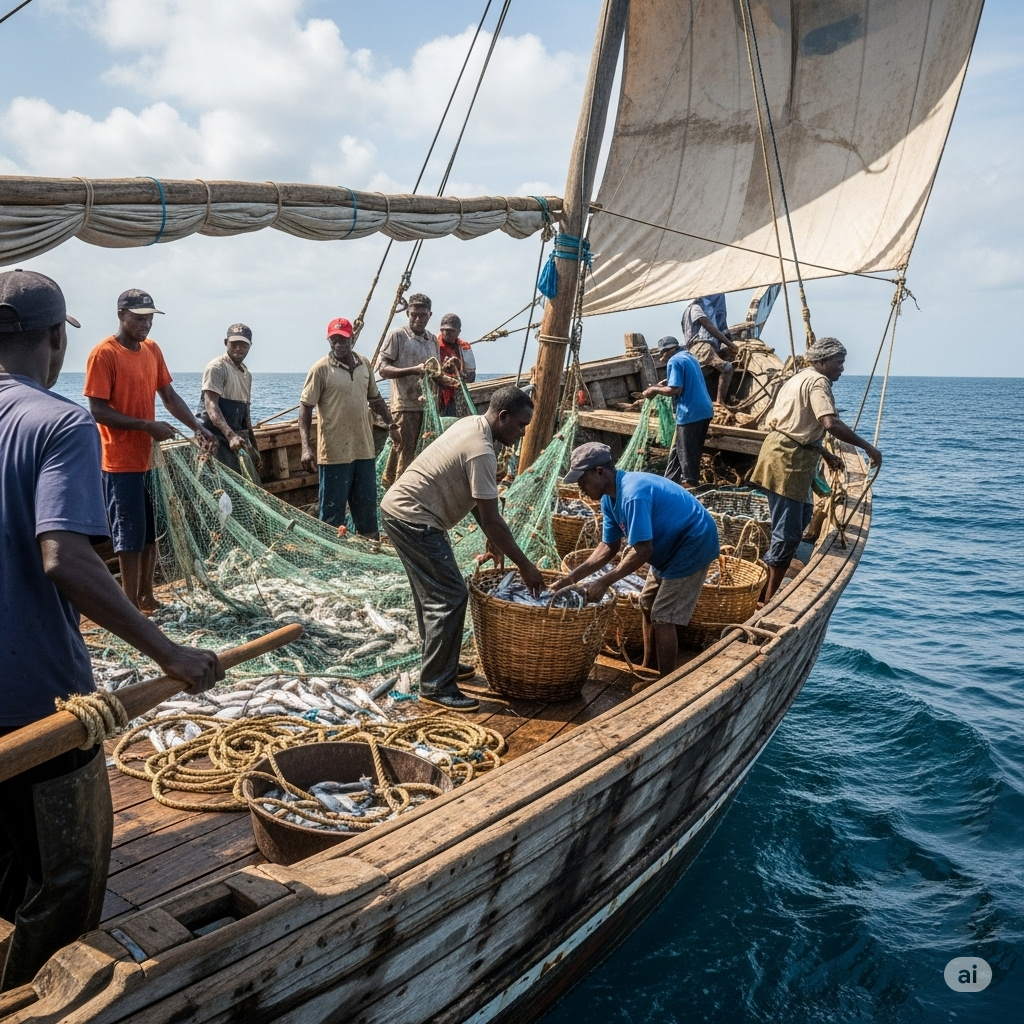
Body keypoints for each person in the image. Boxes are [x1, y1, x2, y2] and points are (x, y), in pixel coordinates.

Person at [0, 270, 222, 991]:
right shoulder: (57, 422)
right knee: (62, 885)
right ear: (58, 338)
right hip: (39, 703)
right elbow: (65, 559)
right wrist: (171, 654)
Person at [380, 385, 544, 710]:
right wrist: (526, 566)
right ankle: (436, 685)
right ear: (503, 416)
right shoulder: (482, 449)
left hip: (399, 511)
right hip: (414, 519)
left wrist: (493, 541)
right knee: (450, 596)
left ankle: (441, 665)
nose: (523, 433)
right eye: (521, 425)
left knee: (433, 596)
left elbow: (476, 501)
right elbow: (492, 518)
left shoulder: (471, 424)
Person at [84, 289, 216, 612]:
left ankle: (146, 596)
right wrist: (146, 426)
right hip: (119, 463)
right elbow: (97, 410)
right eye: (139, 318)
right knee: (129, 537)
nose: (145, 325)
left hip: (150, 461)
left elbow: (169, 398)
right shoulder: (104, 354)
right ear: (121, 315)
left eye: (150, 319)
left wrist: (197, 428)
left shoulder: (152, 351)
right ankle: (129, 605)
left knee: (152, 532)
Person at [553, 442, 720, 677]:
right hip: (666, 545)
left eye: (582, 480)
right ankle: (649, 666)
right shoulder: (608, 499)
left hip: (692, 543)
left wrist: (604, 582)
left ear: (600, 472)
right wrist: (571, 578)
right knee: (647, 603)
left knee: (662, 616)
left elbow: (643, 552)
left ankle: (665, 682)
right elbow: (608, 548)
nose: (580, 488)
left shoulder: (632, 494)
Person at [750, 337, 882, 602]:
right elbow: (830, 422)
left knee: (802, 517)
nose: (842, 368)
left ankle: (770, 579)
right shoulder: (818, 382)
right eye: (838, 362)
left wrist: (824, 452)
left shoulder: (799, 377)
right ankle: (766, 598)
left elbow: (796, 423)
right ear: (822, 361)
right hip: (787, 460)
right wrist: (869, 448)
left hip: (788, 453)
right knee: (787, 534)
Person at [299, 317, 400, 540]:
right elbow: (305, 408)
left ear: (352, 339)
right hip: (334, 453)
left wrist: (391, 423)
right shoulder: (320, 370)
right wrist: (306, 447)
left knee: (366, 511)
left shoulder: (364, 364)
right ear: (329, 341)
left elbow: (375, 398)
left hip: (364, 449)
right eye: (334, 340)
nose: (338, 344)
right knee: (332, 514)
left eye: (343, 340)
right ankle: (330, 555)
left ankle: (371, 548)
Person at [377, 293, 440, 487]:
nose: (418, 319)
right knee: (404, 454)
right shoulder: (398, 336)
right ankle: (397, 492)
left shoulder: (432, 340)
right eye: (414, 315)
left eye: (423, 315)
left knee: (425, 455)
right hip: (404, 406)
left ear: (430, 314)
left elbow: (434, 371)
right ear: (407, 313)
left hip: (427, 408)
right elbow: (383, 369)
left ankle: (416, 493)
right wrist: (412, 370)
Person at [643, 336, 713, 488]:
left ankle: (690, 485)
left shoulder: (674, 361)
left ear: (672, 349)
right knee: (679, 449)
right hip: (705, 410)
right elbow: (685, 379)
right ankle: (669, 482)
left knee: (687, 451)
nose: (662, 358)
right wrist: (666, 382)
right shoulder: (689, 357)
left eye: (663, 353)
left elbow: (676, 389)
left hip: (690, 412)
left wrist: (654, 389)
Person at [197, 322, 261, 475]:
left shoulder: (246, 374)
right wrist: (230, 435)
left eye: (243, 345)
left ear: (250, 346)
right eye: (234, 344)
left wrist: (255, 449)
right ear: (226, 343)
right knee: (217, 487)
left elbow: (246, 415)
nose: (238, 348)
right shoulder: (217, 367)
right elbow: (211, 405)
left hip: (234, 439)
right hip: (214, 438)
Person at [681, 294, 738, 404]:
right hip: (701, 348)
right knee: (727, 368)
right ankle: (720, 403)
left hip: (702, 349)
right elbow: (708, 325)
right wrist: (730, 344)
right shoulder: (695, 308)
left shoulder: (689, 311)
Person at [436, 313, 477, 418]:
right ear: (441, 330)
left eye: (452, 331)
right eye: (445, 330)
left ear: (459, 331)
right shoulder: (433, 344)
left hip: (457, 393)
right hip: (437, 393)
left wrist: (463, 376)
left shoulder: (464, 347)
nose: (447, 333)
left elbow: (472, 375)